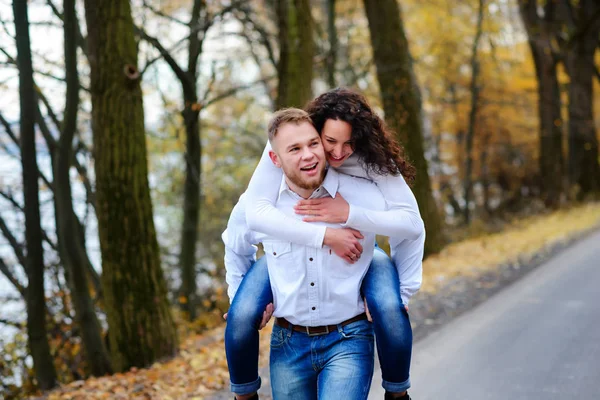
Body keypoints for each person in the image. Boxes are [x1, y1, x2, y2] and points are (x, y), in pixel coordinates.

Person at [224, 88, 425, 400]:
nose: (337, 153)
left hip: (350, 327)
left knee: (388, 304)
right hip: (289, 338)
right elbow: (245, 229)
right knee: (241, 313)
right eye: (328, 141)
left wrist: (350, 214)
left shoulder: (370, 172)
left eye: (347, 143)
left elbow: (411, 225)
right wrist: (328, 236)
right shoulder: (269, 180)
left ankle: (398, 392)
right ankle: (243, 394)